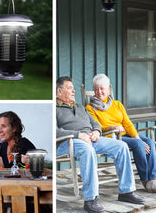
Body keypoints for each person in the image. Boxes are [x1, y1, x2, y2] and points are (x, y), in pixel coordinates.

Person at [56, 76, 144, 213]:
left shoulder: (80, 107)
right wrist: (78, 135)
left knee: (121, 146)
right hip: (68, 141)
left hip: (90, 139)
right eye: (69, 88)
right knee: (87, 150)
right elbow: (54, 131)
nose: (73, 91)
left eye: (73, 89)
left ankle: (126, 191)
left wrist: (96, 132)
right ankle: (90, 199)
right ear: (59, 91)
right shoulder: (54, 108)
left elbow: (95, 124)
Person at [86, 74, 156, 194]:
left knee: (149, 142)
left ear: (108, 89)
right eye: (96, 89)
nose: (99, 92)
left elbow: (128, 123)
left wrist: (137, 137)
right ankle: (146, 181)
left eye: (102, 88)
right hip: (110, 137)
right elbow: (97, 127)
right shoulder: (90, 108)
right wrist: (112, 127)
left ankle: (153, 180)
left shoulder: (117, 104)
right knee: (137, 144)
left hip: (125, 135)